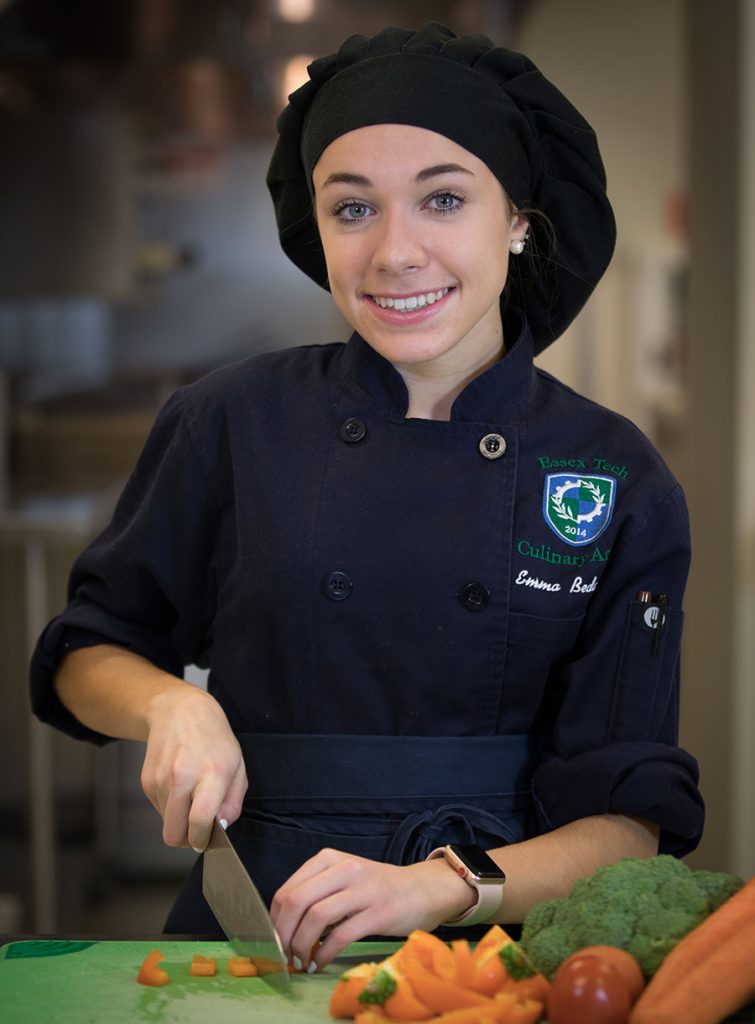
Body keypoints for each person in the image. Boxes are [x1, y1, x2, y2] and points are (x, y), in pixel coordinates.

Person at [30, 22, 704, 973]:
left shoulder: (612, 474)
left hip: (490, 958)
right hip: (255, 932)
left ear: (517, 217)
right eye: (353, 209)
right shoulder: (230, 420)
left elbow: (631, 822)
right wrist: (170, 707)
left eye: (442, 199)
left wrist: (441, 884)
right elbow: (85, 652)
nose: (394, 252)